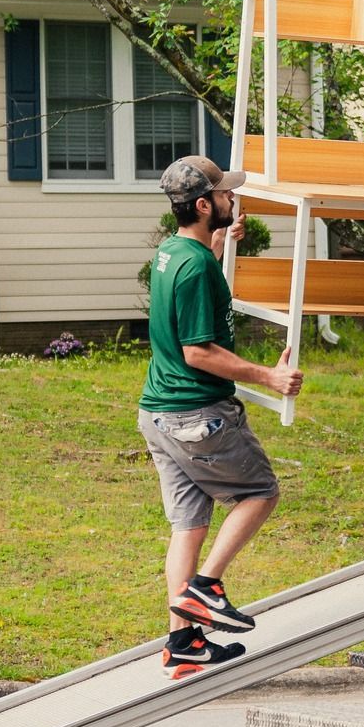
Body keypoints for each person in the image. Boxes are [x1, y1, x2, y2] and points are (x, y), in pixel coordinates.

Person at [139, 155, 304, 679]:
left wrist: (221, 240)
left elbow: (193, 265)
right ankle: (206, 589)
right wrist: (268, 377)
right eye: (226, 195)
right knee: (260, 494)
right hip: (197, 414)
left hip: (158, 415)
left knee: (188, 525)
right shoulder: (196, 269)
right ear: (205, 204)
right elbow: (199, 352)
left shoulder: (174, 252)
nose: (234, 200)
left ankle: (183, 644)